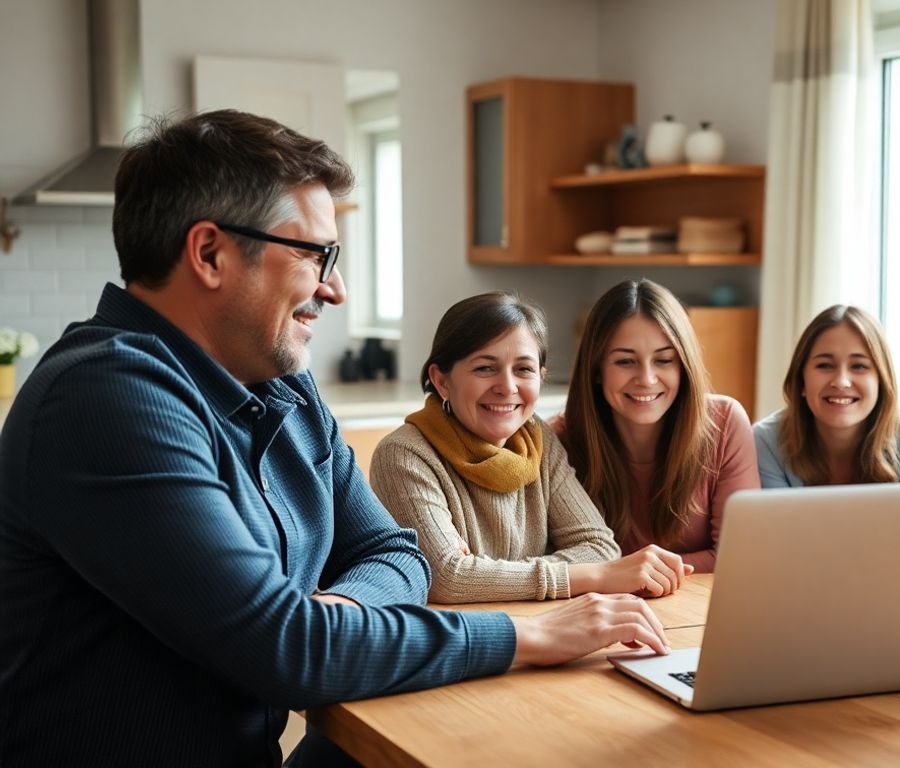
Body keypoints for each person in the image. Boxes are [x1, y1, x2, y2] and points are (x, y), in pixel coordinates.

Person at [0, 110, 667, 767]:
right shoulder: (106, 398)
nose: (336, 288)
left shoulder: (284, 387)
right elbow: (289, 652)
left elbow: (395, 553)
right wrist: (528, 636)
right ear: (209, 254)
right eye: (315, 254)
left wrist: (336, 615)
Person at [370, 292, 691, 602]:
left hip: (547, 625)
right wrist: (591, 575)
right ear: (442, 381)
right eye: (485, 368)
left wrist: (482, 574)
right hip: (466, 636)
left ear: (541, 377)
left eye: (523, 369)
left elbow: (601, 548)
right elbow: (446, 578)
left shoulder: (539, 441)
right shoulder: (404, 455)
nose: (507, 386)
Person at [551, 278, 760, 572]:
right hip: (604, 601)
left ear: (683, 366)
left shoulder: (725, 422)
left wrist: (630, 573)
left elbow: (739, 554)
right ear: (596, 370)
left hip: (701, 600)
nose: (646, 379)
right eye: (625, 362)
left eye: (663, 360)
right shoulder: (558, 442)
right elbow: (556, 563)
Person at [753, 304, 900, 487]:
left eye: (859, 366)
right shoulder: (766, 441)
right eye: (825, 365)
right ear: (801, 380)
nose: (841, 381)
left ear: (881, 380)